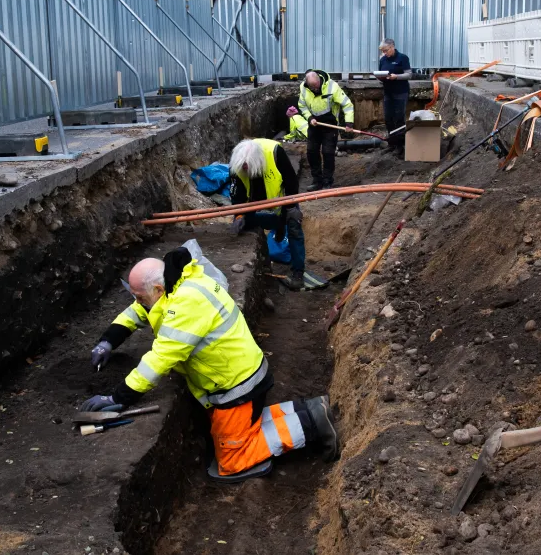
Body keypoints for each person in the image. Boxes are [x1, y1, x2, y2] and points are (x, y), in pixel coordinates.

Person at [84, 250, 339, 481]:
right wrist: (107, 341)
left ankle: (312, 424)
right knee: (240, 429)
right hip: (240, 377)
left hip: (236, 388)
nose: (138, 303)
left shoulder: (185, 304)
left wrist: (118, 397)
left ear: (158, 290)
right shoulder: (179, 282)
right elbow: (136, 312)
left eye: (140, 297)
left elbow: (159, 359)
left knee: (231, 461)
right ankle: (308, 408)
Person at [227, 138, 305, 290]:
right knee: (245, 223)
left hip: (282, 198)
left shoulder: (275, 153)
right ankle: (278, 224)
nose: (244, 169)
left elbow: (291, 181)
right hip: (254, 198)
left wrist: (290, 208)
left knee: (294, 226)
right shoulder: (236, 163)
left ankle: (298, 273)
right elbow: (237, 194)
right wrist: (238, 215)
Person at [298, 70, 354, 191]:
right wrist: (310, 117)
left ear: (319, 80)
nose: (316, 89)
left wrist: (349, 122)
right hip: (314, 125)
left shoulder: (332, 87)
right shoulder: (303, 88)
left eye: (317, 85)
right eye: (313, 87)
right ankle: (317, 180)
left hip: (330, 125)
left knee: (328, 153)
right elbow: (302, 106)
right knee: (312, 152)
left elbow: (347, 104)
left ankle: (327, 181)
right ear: (308, 84)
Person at [377, 39, 412, 153]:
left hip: (400, 92)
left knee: (399, 119)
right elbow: (381, 72)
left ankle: (400, 145)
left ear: (392, 47)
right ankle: (391, 143)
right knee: (388, 118)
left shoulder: (402, 58)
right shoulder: (382, 60)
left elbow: (409, 74)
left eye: (386, 50)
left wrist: (396, 76)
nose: (384, 53)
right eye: (382, 51)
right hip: (388, 92)